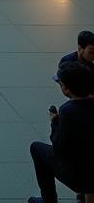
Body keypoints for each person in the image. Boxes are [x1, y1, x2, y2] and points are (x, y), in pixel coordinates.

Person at [27, 61, 94, 203]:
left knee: (37, 148)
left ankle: (49, 200)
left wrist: (55, 124)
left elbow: (59, 148)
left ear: (66, 88)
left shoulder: (68, 110)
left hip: (79, 175)